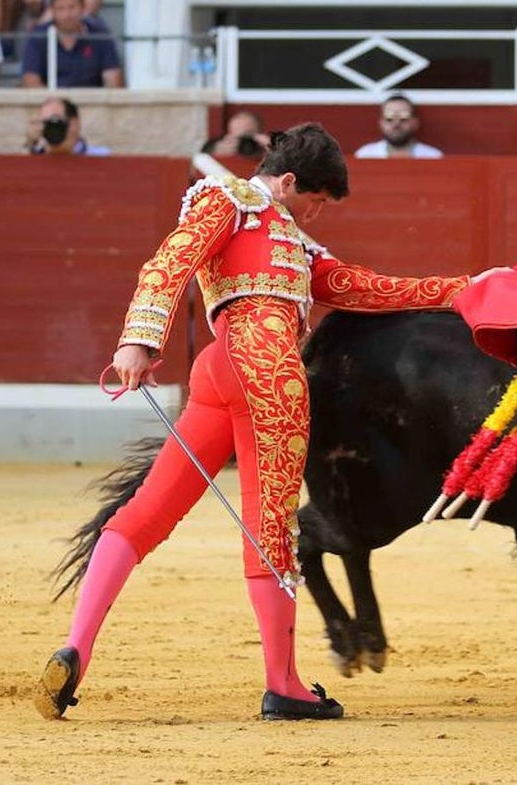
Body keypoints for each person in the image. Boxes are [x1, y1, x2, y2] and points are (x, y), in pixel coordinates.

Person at [33, 122, 475, 722]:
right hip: (268, 369)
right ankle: (284, 684)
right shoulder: (229, 199)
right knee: (271, 532)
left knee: (146, 512)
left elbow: (360, 288)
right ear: (289, 180)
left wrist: (459, 290)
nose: (317, 213)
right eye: (316, 199)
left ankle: (76, 644)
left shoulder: (282, 233)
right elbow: (170, 260)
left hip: (219, 370)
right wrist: (138, 341)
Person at [20, 0, 122, 88]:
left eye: (72, 7)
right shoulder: (38, 36)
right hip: (51, 106)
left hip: (92, 104)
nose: (67, 15)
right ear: (52, 10)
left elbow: (114, 81)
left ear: (83, 8)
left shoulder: (99, 34)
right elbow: (31, 82)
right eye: (60, 9)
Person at [354, 94, 443, 159]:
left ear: (415, 123)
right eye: (389, 118)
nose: (396, 124)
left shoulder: (432, 156)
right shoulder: (365, 155)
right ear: (381, 123)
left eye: (404, 118)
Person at [26, 95, 110, 155]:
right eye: (45, 122)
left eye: (55, 121)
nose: (49, 127)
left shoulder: (101, 157)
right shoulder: (31, 160)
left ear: (74, 124)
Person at [201, 110, 270, 159]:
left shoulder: (269, 149)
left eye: (249, 137)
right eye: (240, 138)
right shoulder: (224, 148)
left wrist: (274, 149)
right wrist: (217, 151)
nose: (246, 144)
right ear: (229, 137)